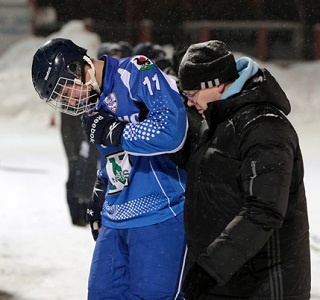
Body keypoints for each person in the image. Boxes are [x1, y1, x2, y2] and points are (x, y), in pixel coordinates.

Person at [31, 38, 188, 299]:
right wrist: (101, 190)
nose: (68, 100)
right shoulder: (92, 101)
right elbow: (114, 158)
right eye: (59, 98)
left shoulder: (136, 70)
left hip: (159, 212)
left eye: (65, 90)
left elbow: (172, 131)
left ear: (77, 67)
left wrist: (116, 131)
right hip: (116, 219)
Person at [178, 40, 311, 299]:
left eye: (193, 94)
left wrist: (211, 268)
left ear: (216, 84)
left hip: (265, 285)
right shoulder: (219, 120)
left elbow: (263, 210)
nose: (190, 102)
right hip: (228, 280)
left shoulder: (264, 126)